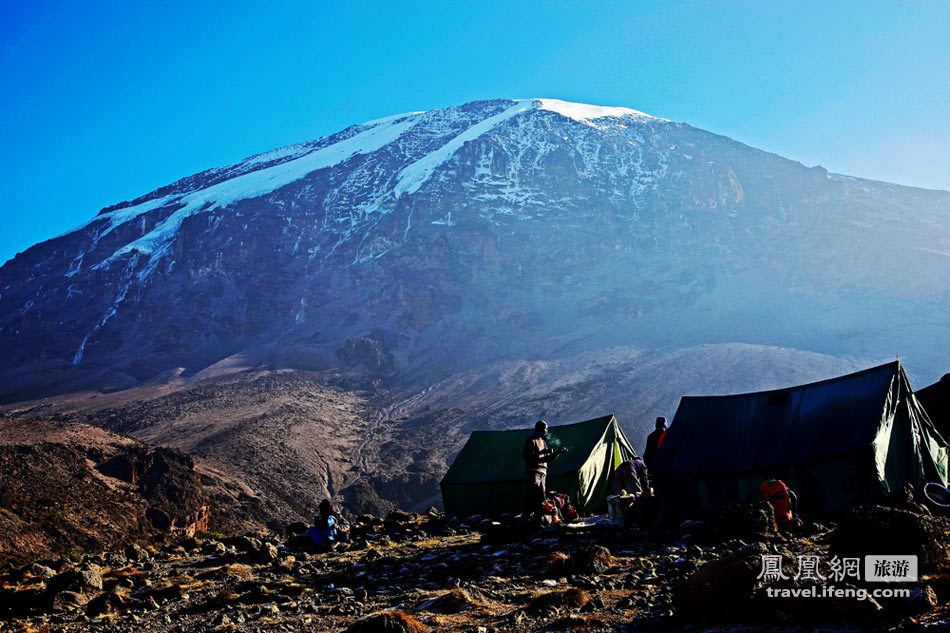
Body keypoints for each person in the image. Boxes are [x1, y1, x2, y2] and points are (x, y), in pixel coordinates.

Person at [523, 420, 568, 522]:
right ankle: (527, 518)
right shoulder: (530, 441)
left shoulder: (543, 442)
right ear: (539, 429)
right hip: (534, 470)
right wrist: (542, 452)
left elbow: (549, 459)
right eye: (544, 429)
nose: (546, 432)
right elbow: (528, 457)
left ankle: (539, 519)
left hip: (543, 472)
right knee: (533, 494)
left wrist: (558, 452)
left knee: (542, 497)